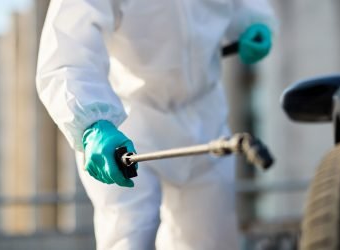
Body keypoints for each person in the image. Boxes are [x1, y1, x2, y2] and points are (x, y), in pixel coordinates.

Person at [36, 1, 277, 249]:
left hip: (206, 116)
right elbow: (67, 49)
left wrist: (254, 22)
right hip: (129, 125)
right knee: (129, 237)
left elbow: (242, 5)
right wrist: (92, 123)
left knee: (213, 240)